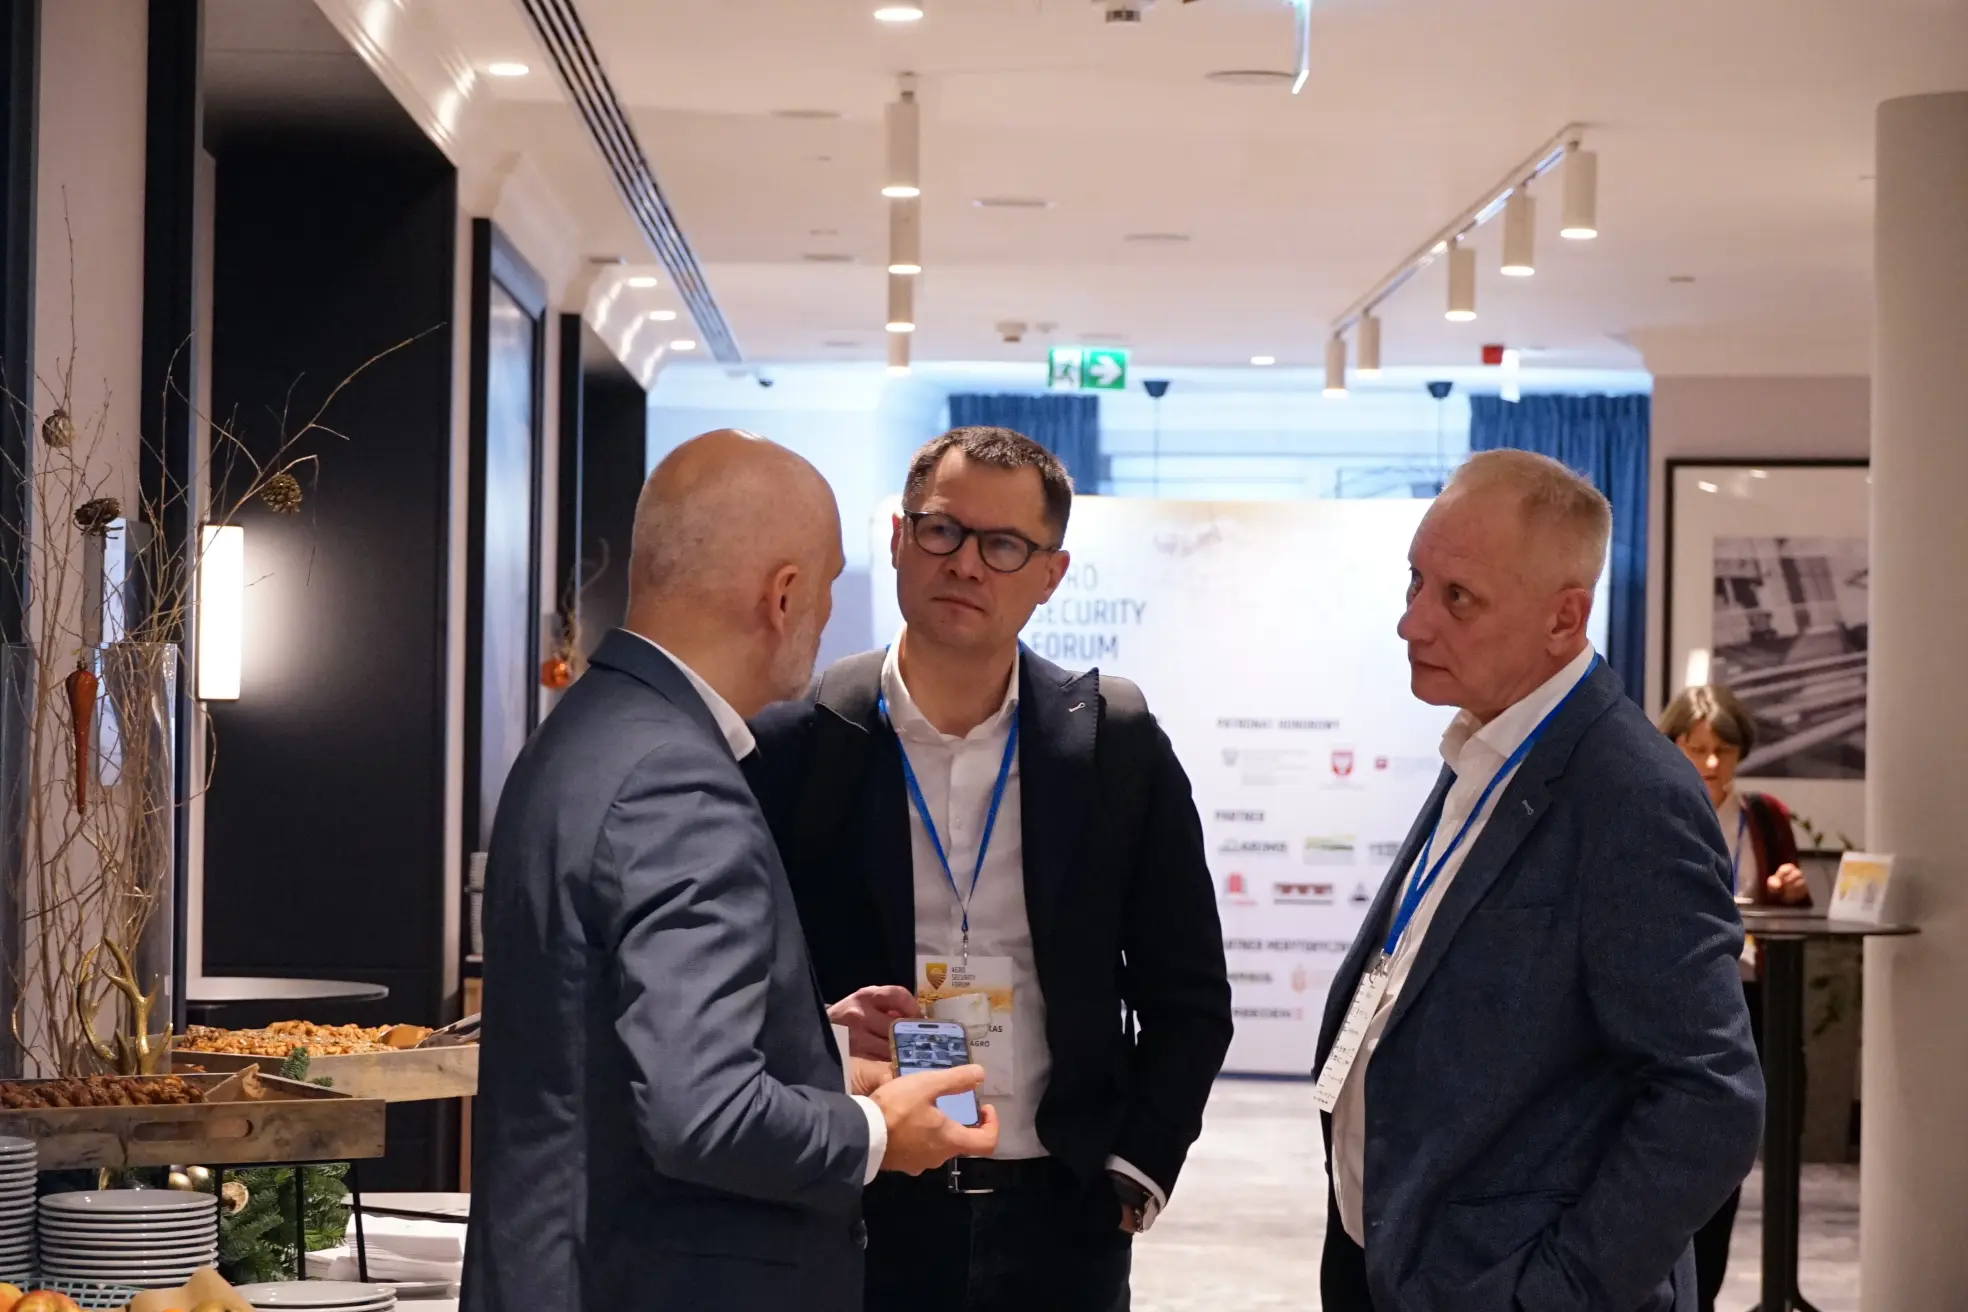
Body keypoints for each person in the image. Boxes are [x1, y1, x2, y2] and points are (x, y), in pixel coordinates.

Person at [461, 431, 999, 1312]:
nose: (827, 617)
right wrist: (875, 1131)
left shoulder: (589, 731)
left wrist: (810, 1044)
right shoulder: (679, 780)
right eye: (827, 587)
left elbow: (602, 1042)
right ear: (783, 596)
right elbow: (701, 1115)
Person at [746, 426, 1232, 1312]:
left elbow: (1189, 992)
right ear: (900, 539)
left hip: (1062, 1213)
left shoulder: (1112, 745)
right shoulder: (800, 741)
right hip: (858, 1200)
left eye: (1005, 545)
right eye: (943, 530)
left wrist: (1138, 1165)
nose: (967, 564)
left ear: (1051, 574)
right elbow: (743, 983)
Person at [1313, 449, 1763, 1312]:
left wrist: (1556, 1293)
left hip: (1502, 1280)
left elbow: (1710, 1100)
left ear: (1564, 619)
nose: (1411, 623)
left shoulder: (1631, 794)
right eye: (1415, 581)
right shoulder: (1487, 744)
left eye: (1458, 598)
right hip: (1394, 1256)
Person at [1660, 682, 1812, 1312]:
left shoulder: (1764, 816)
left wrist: (1789, 889)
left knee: (1732, 1156)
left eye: (1723, 749)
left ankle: (1706, 1296)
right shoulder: (1657, 808)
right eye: (1696, 747)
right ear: (1673, 746)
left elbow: (1788, 899)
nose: (1711, 762)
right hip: (1675, 1004)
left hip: (1751, 1001)